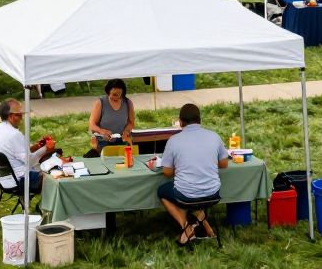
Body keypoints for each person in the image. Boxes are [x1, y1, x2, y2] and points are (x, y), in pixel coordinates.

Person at [152, 103, 228, 246]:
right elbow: (224, 164)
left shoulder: (173, 140)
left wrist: (183, 166)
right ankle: (200, 219)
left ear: (180, 122)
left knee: (162, 191)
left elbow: (167, 172)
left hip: (186, 194)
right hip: (213, 193)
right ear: (200, 120)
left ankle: (186, 227)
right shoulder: (214, 136)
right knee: (190, 190)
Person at [0, 98, 57, 194]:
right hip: (21, 180)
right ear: (11, 116)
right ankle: (47, 207)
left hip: (4, 180)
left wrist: (37, 146)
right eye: (19, 115)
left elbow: (15, 151)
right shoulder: (13, 134)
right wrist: (46, 148)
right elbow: (30, 161)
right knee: (57, 177)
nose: (21, 118)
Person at [88, 79, 135, 151]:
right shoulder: (101, 103)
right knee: (108, 156)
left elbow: (131, 123)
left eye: (120, 94)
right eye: (114, 94)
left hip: (121, 140)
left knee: (126, 156)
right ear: (108, 92)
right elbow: (92, 124)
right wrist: (102, 131)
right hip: (103, 141)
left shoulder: (128, 103)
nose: (117, 97)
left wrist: (126, 131)